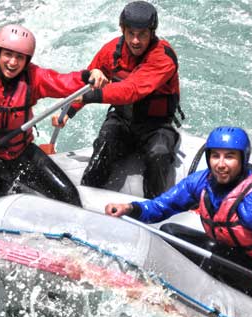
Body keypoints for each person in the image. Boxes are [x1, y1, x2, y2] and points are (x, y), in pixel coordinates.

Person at [105, 126, 252, 301]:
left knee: (211, 251)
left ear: (243, 160)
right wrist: (130, 208)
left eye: (229, 157)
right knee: (169, 231)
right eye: (215, 156)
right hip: (233, 254)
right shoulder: (202, 182)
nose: (221, 164)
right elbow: (162, 207)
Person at [0, 24, 109, 206]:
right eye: (8, 54)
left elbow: (60, 82)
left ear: (27, 60)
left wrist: (88, 75)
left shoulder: (33, 77)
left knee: (70, 198)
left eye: (20, 57)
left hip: (21, 153)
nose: (13, 63)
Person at [53, 0, 182, 198]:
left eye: (142, 35)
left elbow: (131, 90)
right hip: (122, 120)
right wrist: (68, 111)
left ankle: (155, 208)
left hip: (156, 126)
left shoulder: (163, 58)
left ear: (152, 33)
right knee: (104, 145)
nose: (136, 41)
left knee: (159, 154)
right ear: (122, 29)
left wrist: (90, 97)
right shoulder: (111, 50)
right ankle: (85, 200)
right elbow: (88, 83)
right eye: (131, 33)